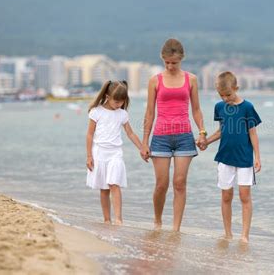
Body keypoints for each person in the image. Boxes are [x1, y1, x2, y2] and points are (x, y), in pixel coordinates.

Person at [140, 38, 207, 231]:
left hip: (184, 137)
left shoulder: (191, 79)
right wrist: (145, 142)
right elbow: (149, 113)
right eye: (167, 62)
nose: (170, 66)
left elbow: (196, 110)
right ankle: (158, 221)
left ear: (181, 59)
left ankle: (176, 228)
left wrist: (202, 133)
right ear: (163, 59)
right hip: (160, 138)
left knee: (179, 183)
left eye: (174, 62)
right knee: (162, 184)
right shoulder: (155, 80)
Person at [202, 71, 262, 243]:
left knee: (245, 196)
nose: (225, 98)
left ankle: (244, 235)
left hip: (244, 159)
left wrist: (257, 157)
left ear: (236, 88)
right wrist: (206, 141)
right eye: (222, 96)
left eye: (228, 94)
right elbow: (221, 131)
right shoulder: (219, 107)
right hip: (225, 157)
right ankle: (228, 233)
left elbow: (253, 133)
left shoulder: (247, 107)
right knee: (226, 196)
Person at [86, 80, 145, 225]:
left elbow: (130, 133)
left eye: (121, 101)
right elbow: (89, 135)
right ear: (107, 95)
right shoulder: (96, 112)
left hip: (115, 154)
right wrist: (89, 156)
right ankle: (107, 219)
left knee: (114, 184)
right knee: (104, 189)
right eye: (116, 101)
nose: (118, 104)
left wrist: (142, 147)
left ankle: (119, 219)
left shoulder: (122, 114)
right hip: (99, 154)